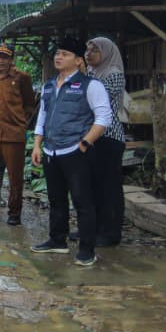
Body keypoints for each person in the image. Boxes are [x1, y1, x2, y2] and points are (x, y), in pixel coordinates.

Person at [31, 36, 113, 267]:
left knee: (83, 201)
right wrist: (37, 145)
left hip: (76, 151)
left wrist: (85, 144)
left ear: (78, 61)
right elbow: (43, 117)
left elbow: (103, 118)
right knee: (56, 199)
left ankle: (87, 249)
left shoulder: (91, 86)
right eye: (57, 53)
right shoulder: (49, 85)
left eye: (65, 54)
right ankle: (57, 240)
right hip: (51, 150)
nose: (58, 57)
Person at [0, 44, 36, 225]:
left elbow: (29, 104)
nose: (0, 61)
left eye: (4, 57)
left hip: (14, 134)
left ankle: (14, 213)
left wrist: (20, 123)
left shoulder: (22, 78)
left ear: (11, 60)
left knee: (15, 176)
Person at [85, 37, 127, 246]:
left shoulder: (113, 74)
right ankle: (94, 229)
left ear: (107, 52)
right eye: (87, 49)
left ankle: (111, 233)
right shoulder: (91, 73)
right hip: (92, 137)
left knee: (109, 187)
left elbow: (95, 102)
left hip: (109, 137)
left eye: (94, 50)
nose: (88, 53)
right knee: (92, 186)